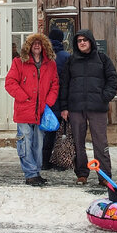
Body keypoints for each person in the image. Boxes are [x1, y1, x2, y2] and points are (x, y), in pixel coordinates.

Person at [58, 28, 117, 185]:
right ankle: (82, 174)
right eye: (79, 41)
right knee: (78, 143)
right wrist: (64, 107)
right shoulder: (71, 61)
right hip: (76, 108)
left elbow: (112, 79)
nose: (82, 43)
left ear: (91, 41)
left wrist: (104, 97)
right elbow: (63, 84)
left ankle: (104, 176)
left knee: (101, 143)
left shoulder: (102, 59)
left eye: (85, 40)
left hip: (97, 108)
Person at [5, 32, 59, 186]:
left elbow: (55, 84)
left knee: (38, 144)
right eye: (34, 43)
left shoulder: (50, 64)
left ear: (44, 46)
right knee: (25, 143)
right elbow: (10, 83)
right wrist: (24, 97)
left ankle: (36, 171)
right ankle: (30, 174)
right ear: (28, 46)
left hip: (42, 111)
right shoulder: (18, 62)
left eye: (39, 43)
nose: (37, 46)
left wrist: (49, 102)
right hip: (24, 110)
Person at [41, 28, 70, 170]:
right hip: (61, 97)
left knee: (48, 131)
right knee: (62, 131)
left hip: (45, 97)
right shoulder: (65, 56)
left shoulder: (43, 54)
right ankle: (60, 160)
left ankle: (44, 161)